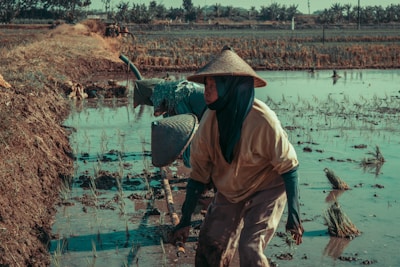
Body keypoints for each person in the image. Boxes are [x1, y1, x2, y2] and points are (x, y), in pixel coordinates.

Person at [170, 46, 304, 266]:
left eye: (213, 85)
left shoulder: (263, 121)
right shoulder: (209, 121)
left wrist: (294, 217)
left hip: (267, 187)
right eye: (206, 85)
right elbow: (199, 175)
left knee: (250, 248)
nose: (206, 91)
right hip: (231, 189)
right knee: (210, 244)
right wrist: (184, 220)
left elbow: (289, 168)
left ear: (231, 87)